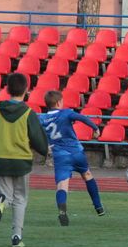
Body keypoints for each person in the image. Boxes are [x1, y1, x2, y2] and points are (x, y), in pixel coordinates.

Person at [0, 72, 49, 247]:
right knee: (20, 199)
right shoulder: (28, 113)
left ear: (7, 89)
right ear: (26, 90)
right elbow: (38, 139)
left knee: (4, 195)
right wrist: (45, 150)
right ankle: (16, 236)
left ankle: (0, 204)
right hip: (21, 161)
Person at [38, 90, 104, 226]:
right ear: (58, 102)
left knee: (62, 185)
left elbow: (35, 132)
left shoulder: (41, 118)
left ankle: (62, 211)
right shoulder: (66, 113)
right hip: (76, 152)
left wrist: (44, 146)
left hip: (60, 155)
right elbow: (82, 118)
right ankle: (98, 207)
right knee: (87, 175)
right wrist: (95, 128)